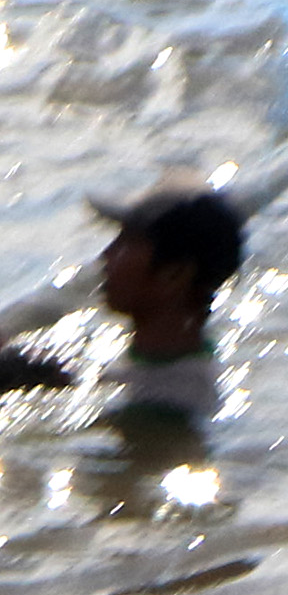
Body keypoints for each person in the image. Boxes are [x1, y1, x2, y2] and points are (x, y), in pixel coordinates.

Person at [91, 178, 245, 426]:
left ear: (174, 274)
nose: (105, 255)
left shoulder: (172, 401)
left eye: (127, 242)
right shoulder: (167, 365)